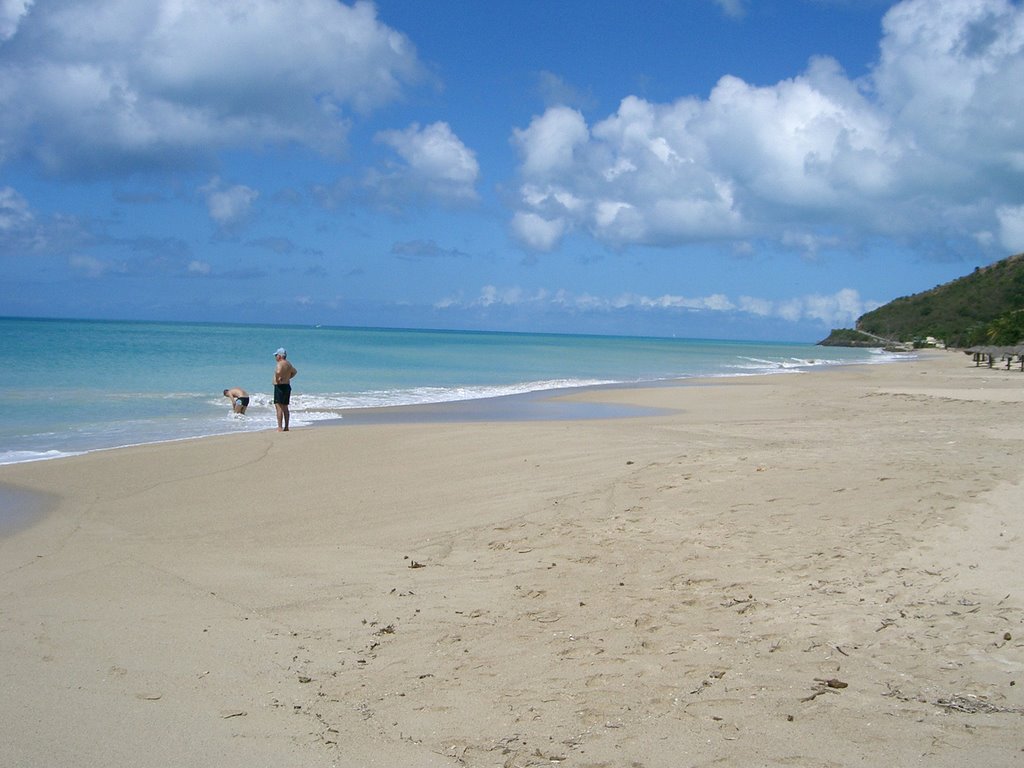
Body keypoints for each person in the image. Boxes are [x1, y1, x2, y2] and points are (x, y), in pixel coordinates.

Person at [272, 347, 298, 431]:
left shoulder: (280, 364)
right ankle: (286, 426)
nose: (275, 357)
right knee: (285, 407)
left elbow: (278, 371)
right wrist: (288, 377)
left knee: (278, 407)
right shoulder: (288, 364)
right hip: (287, 386)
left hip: (280, 386)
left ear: (279, 356)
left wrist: (277, 378)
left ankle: (279, 427)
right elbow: (294, 372)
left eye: (276, 355)